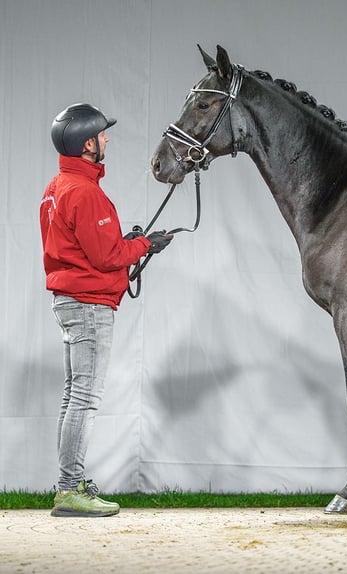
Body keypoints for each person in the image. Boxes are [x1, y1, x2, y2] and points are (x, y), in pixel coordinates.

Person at [40, 103, 173, 517]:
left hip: (68, 301)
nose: (107, 139)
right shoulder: (84, 192)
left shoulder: (57, 186)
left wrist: (128, 240)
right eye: (102, 135)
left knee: (73, 396)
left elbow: (87, 247)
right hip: (89, 306)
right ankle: (69, 489)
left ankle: (69, 482)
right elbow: (106, 257)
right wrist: (144, 244)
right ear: (87, 145)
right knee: (85, 397)